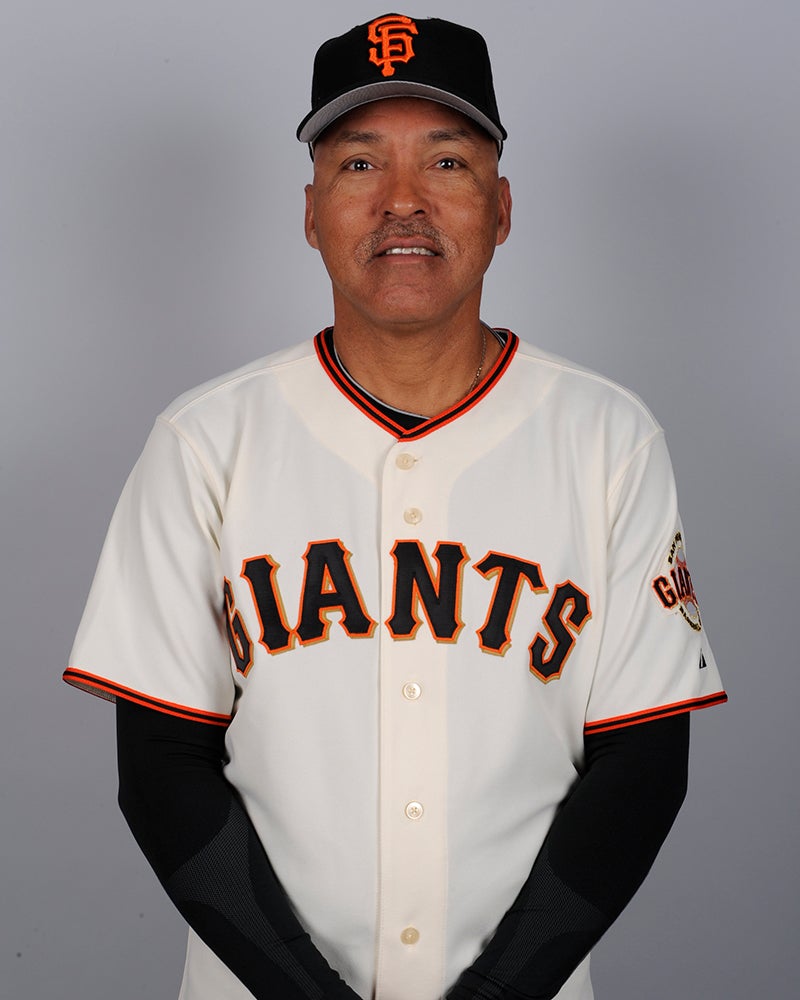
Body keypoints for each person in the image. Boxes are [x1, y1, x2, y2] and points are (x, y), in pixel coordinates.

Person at [64, 13, 727, 1000]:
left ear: (501, 208)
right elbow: (159, 768)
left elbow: (639, 766)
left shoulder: (605, 437)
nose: (403, 202)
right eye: (359, 165)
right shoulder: (204, 440)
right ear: (309, 209)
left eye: (447, 163)